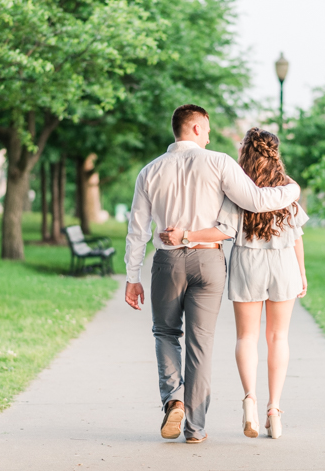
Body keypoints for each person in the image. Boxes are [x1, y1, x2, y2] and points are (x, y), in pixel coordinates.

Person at [125, 106, 301, 444]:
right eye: (205, 129)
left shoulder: (149, 171)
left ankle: (174, 399)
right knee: (200, 344)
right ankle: (195, 428)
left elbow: (138, 230)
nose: (209, 135)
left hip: (167, 262)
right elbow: (257, 201)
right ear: (193, 127)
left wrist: (133, 276)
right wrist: (292, 191)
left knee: (164, 333)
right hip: (208, 262)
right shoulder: (219, 162)